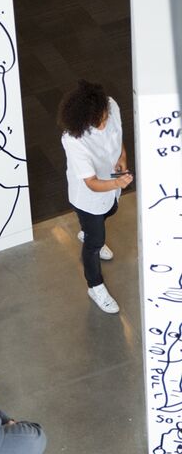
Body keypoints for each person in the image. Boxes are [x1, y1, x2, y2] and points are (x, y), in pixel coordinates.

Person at [58, 80, 134, 313]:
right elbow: (91, 183)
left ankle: (87, 231)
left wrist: (122, 159)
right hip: (89, 197)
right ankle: (95, 286)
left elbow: (117, 135)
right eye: (97, 121)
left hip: (110, 183)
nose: (103, 124)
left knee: (111, 210)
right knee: (94, 243)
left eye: (103, 116)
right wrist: (116, 182)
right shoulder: (73, 139)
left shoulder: (110, 105)